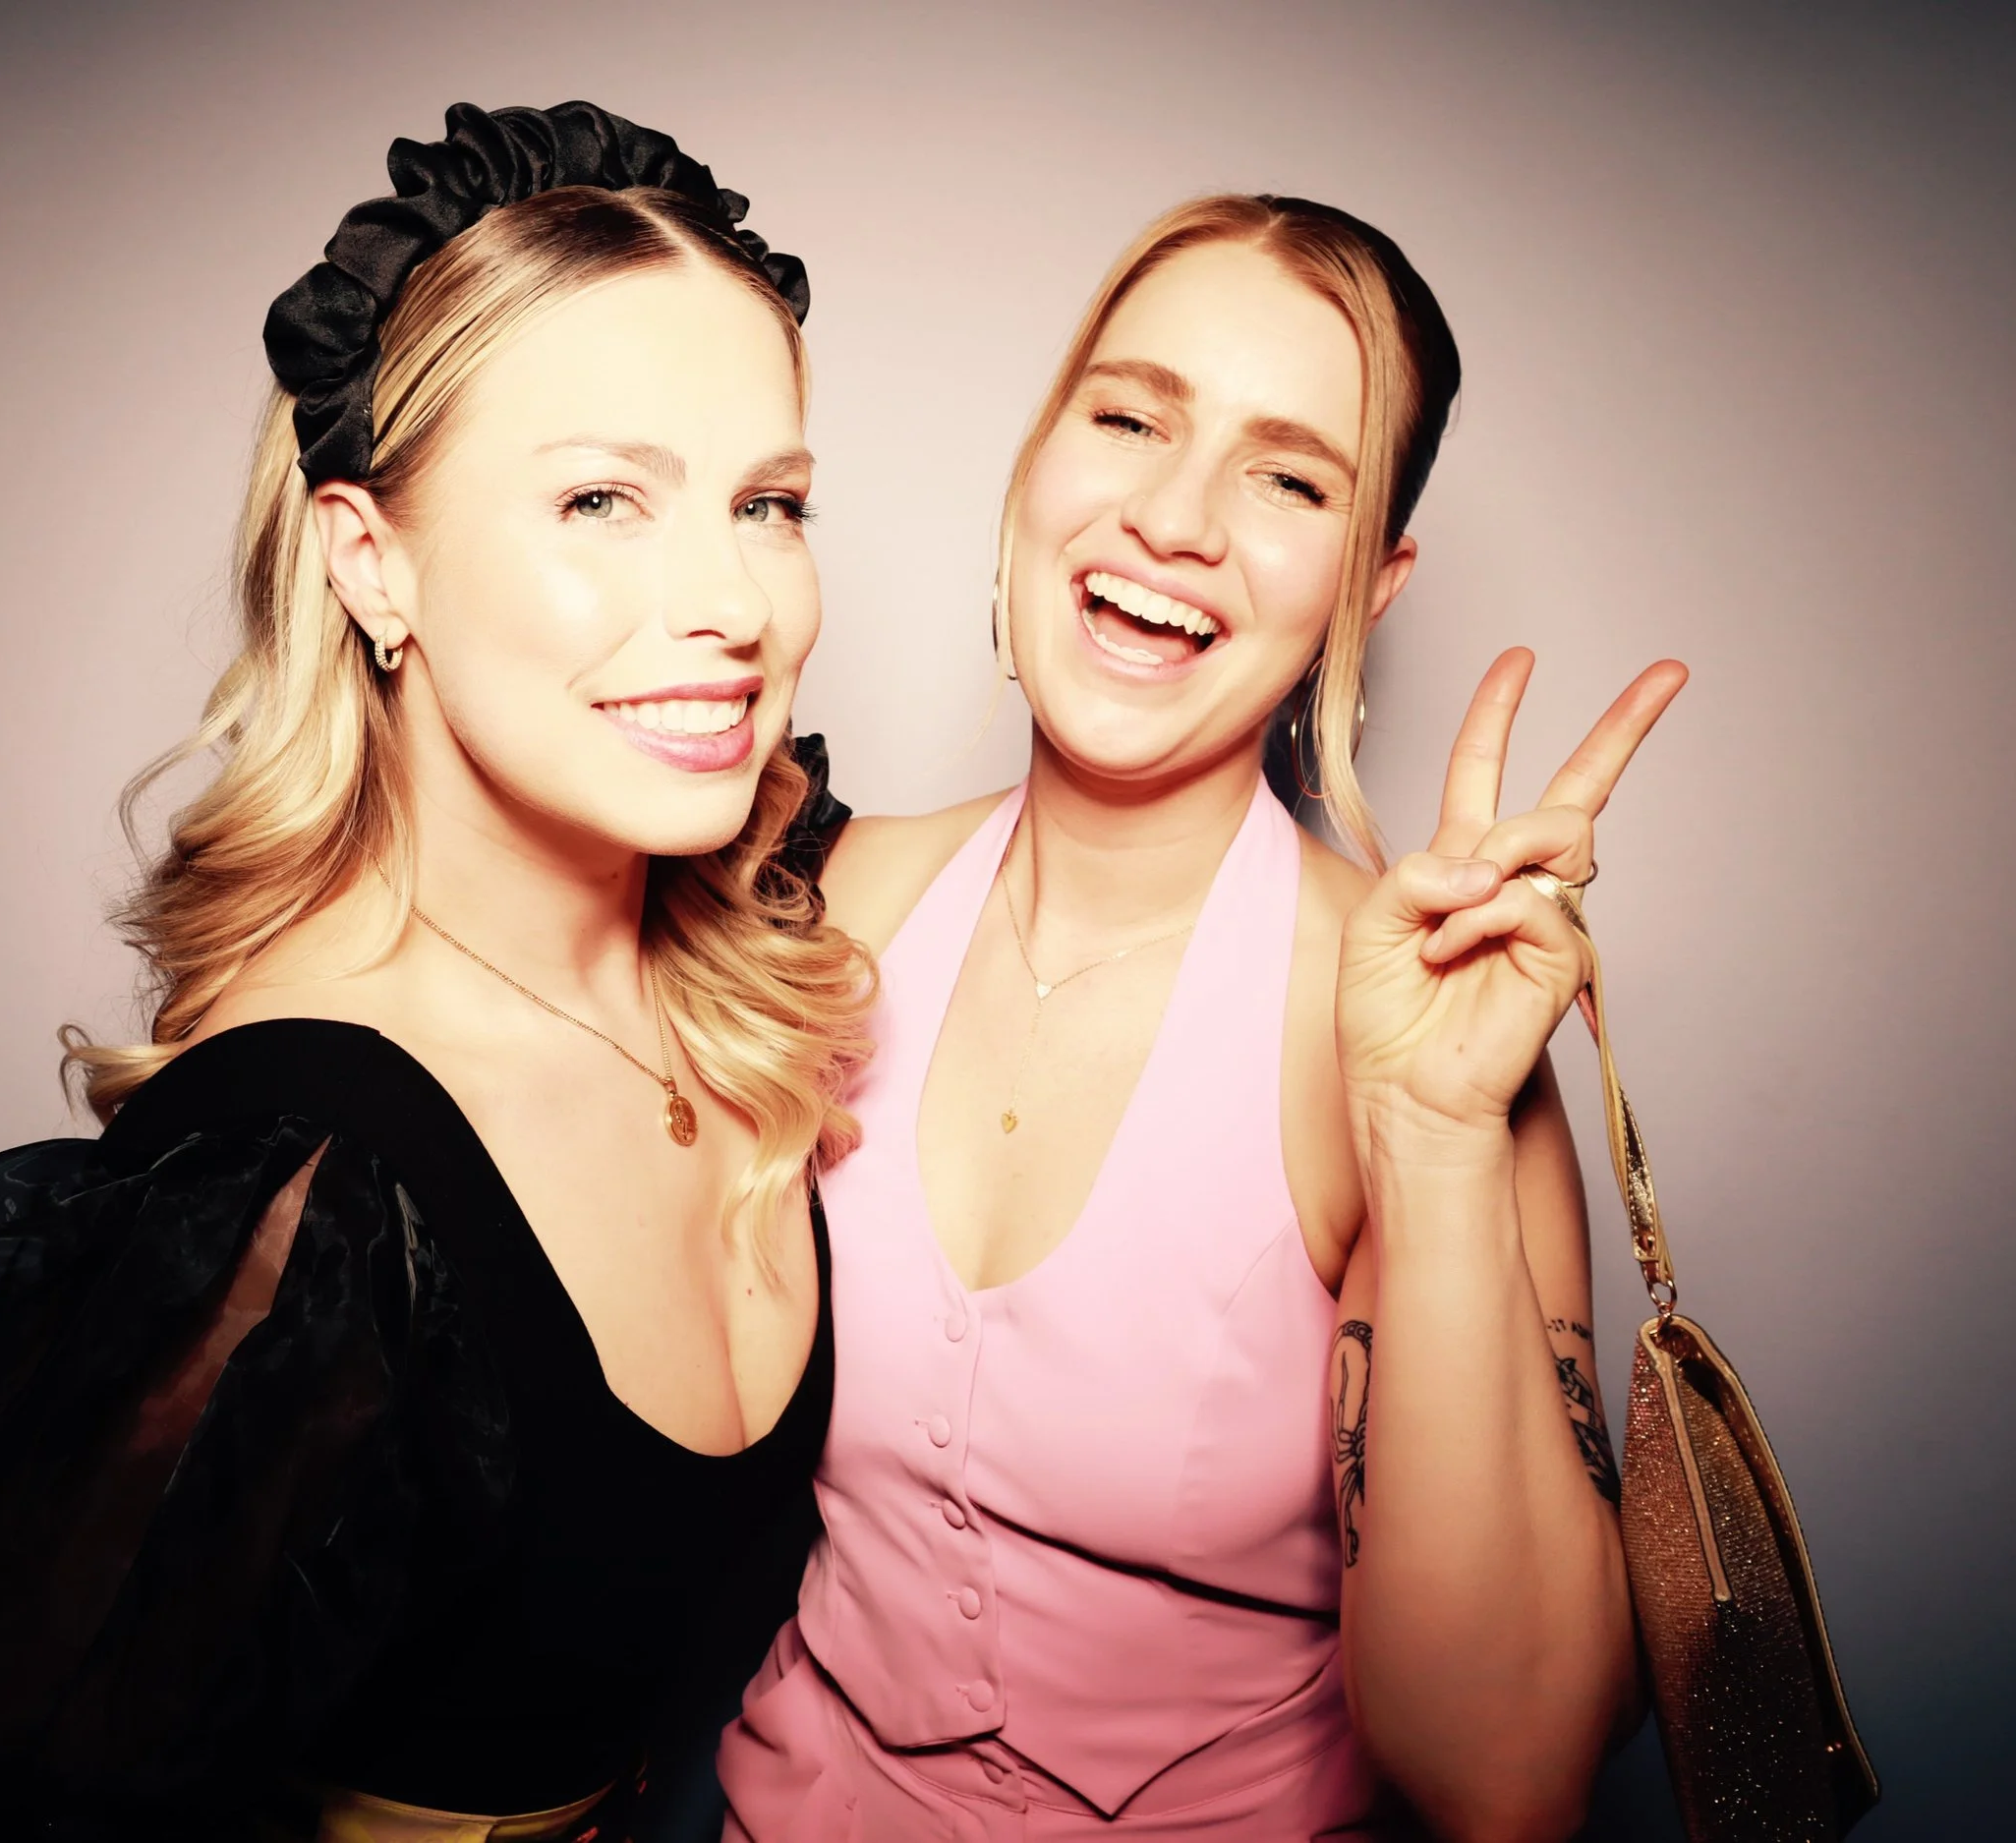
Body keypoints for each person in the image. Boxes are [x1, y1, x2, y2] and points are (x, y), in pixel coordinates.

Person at [0, 102, 871, 1843]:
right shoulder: (305, 1182)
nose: (731, 601)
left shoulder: (753, 935)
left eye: (768, 504)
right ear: (374, 560)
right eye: (601, 498)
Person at [718, 195, 1686, 1840]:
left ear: (1371, 586)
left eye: (1290, 478)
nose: (1173, 517)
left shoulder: (1431, 1052)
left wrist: (1434, 1139)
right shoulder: (832, 899)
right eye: (1129, 418)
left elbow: (1508, 1781)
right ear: (1038, 457)